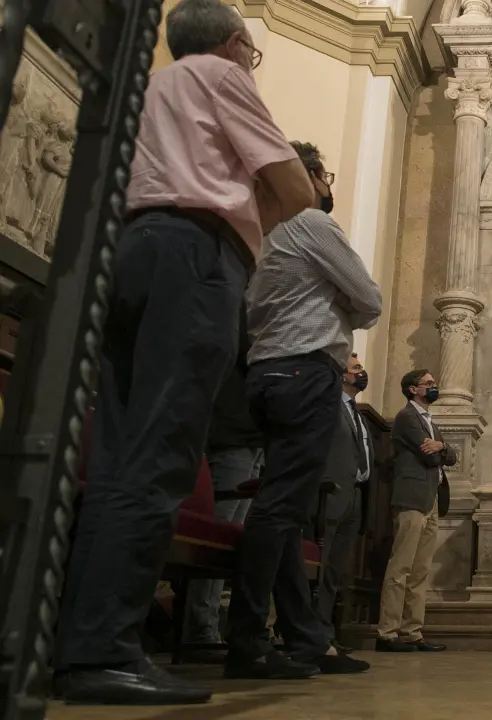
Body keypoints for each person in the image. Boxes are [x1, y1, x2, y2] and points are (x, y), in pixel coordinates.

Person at [53, 0, 312, 704]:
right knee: (164, 450)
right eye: (251, 52)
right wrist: (247, 223)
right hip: (196, 256)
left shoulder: (145, 85)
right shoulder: (221, 77)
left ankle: (80, 644)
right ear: (235, 43)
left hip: (126, 252)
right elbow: (294, 186)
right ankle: (106, 652)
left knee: (113, 454)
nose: (251, 62)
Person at [226, 141, 381, 679]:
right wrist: (340, 303)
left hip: (266, 374)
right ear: (309, 175)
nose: (326, 185)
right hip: (305, 371)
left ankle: (305, 638)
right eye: (325, 175)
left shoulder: (260, 231)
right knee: (278, 509)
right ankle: (247, 640)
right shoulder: (311, 223)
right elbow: (370, 300)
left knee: (286, 508)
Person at [184, 316, 264, 656]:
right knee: (216, 541)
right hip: (232, 438)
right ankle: (199, 628)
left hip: (253, 440)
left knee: (232, 541)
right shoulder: (239, 322)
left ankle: (210, 625)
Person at [376, 369, 452, 652]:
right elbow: (429, 457)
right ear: (412, 389)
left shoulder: (429, 420)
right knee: (401, 567)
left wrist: (442, 446)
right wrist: (441, 450)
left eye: (433, 383)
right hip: (411, 498)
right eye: (428, 383)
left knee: (420, 570)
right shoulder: (407, 417)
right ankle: (387, 632)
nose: (434, 386)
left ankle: (412, 631)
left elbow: (449, 456)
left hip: (430, 499)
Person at [315, 353, 377, 649]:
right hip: (330, 494)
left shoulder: (358, 415)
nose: (361, 373)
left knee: (336, 569)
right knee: (320, 565)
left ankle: (325, 632)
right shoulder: (327, 407)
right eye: (356, 368)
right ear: (341, 375)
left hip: (355, 495)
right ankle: (311, 632)